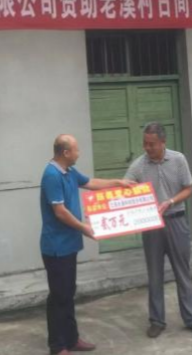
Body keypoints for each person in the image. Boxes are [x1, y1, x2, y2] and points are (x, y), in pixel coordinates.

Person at [40, 134, 134, 355]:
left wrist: (118, 183)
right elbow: (60, 212)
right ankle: (58, 346)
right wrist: (84, 228)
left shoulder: (69, 171)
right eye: (76, 149)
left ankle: (71, 339)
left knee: (68, 292)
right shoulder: (52, 175)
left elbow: (91, 183)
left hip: (69, 244)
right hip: (56, 247)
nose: (79, 153)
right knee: (59, 296)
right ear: (65, 152)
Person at [124, 122, 192, 339]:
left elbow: (188, 189)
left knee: (182, 272)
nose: (147, 148)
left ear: (163, 142)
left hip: (176, 221)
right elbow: (124, 188)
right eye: (145, 143)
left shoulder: (178, 159)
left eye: (152, 144)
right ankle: (157, 321)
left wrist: (170, 201)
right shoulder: (139, 165)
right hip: (152, 225)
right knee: (154, 274)